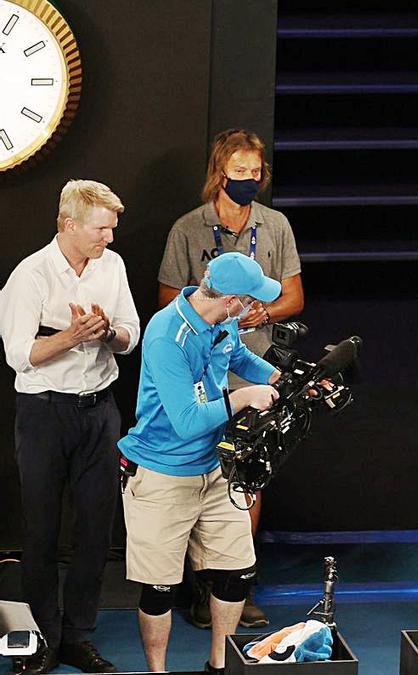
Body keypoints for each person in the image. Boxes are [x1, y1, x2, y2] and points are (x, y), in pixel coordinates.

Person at [157, 128, 304, 628]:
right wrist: (215, 316)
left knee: (246, 479)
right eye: (239, 171)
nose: (249, 179)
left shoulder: (275, 225)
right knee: (199, 475)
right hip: (199, 374)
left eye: (255, 171)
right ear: (220, 172)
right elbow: (167, 303)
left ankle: (235, 583)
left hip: (252, 367)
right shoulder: (188, 229)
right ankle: (200, 586)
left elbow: (292, 297)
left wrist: (260, 316)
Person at [119, 252, 282, 674]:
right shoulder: (165, 336)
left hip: (214, 471)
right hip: (161, 474)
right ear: (230, 299)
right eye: (249, 300)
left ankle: (220, 665)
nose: (252, 308)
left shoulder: (221, 319)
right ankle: (158, 670)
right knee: (159, 589)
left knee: (236, 574)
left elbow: (239, 358)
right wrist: (244, 397)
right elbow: (187, 421)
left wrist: (279, 378)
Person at [0, 180, 139, 674]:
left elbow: (130, 334)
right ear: (69, 225)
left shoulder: (112, 266)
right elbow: (20, 355)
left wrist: (108, 333)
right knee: (41, 531)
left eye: (112, 229)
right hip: (44, 414)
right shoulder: (29, 276)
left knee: (96, 530)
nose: (110, 238)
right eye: (102, 228)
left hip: (100, 412)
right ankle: (44, 638)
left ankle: (79, 635)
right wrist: (70, 337)